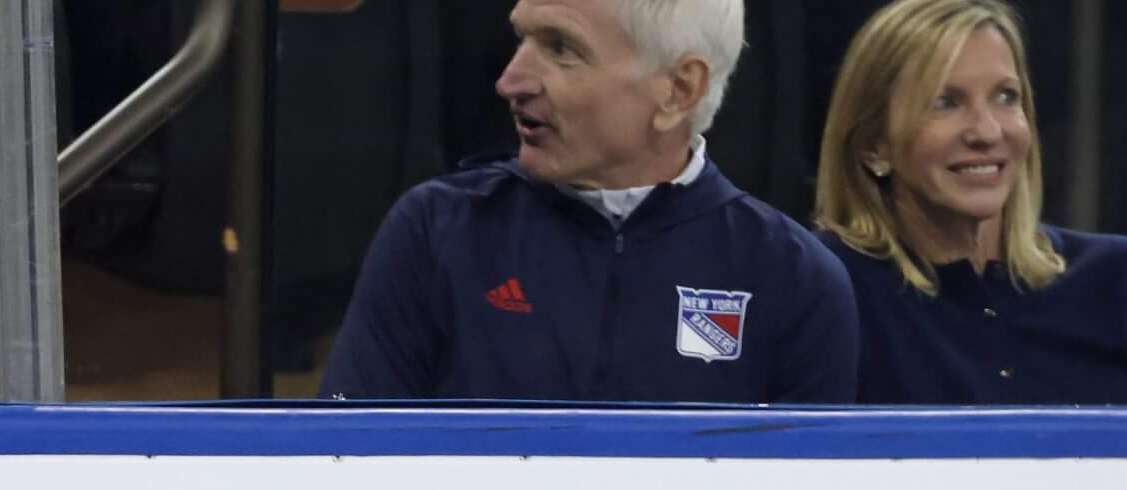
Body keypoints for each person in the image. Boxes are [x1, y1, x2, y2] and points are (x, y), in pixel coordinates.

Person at [325, 0, 859, 404]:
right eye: (521, 38)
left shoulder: (792, 278)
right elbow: (341, 467)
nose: (511, 81)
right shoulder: (435, 232)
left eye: (561, 49)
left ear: (678, 90)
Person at [813, 0, 1127, 405]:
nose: (987, 130)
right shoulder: (826, 286)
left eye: (1005, 97)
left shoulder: (1113, 281)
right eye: (945, 102)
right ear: (874, 145)